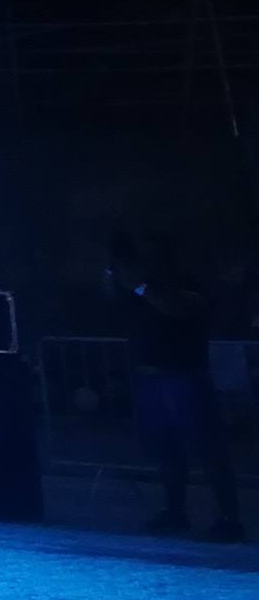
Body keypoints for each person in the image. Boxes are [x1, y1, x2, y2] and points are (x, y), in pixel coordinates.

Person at [112, 233, 244, 544]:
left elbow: (177, 308)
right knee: (166, 449)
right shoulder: (142, 291)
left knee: (207, 449)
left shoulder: (187, 288)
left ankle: (229, 518)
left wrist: (140, 286)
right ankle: (175, 510)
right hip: (152, 378)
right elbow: (111, 293)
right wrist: (118, 271)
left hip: (184, 377)